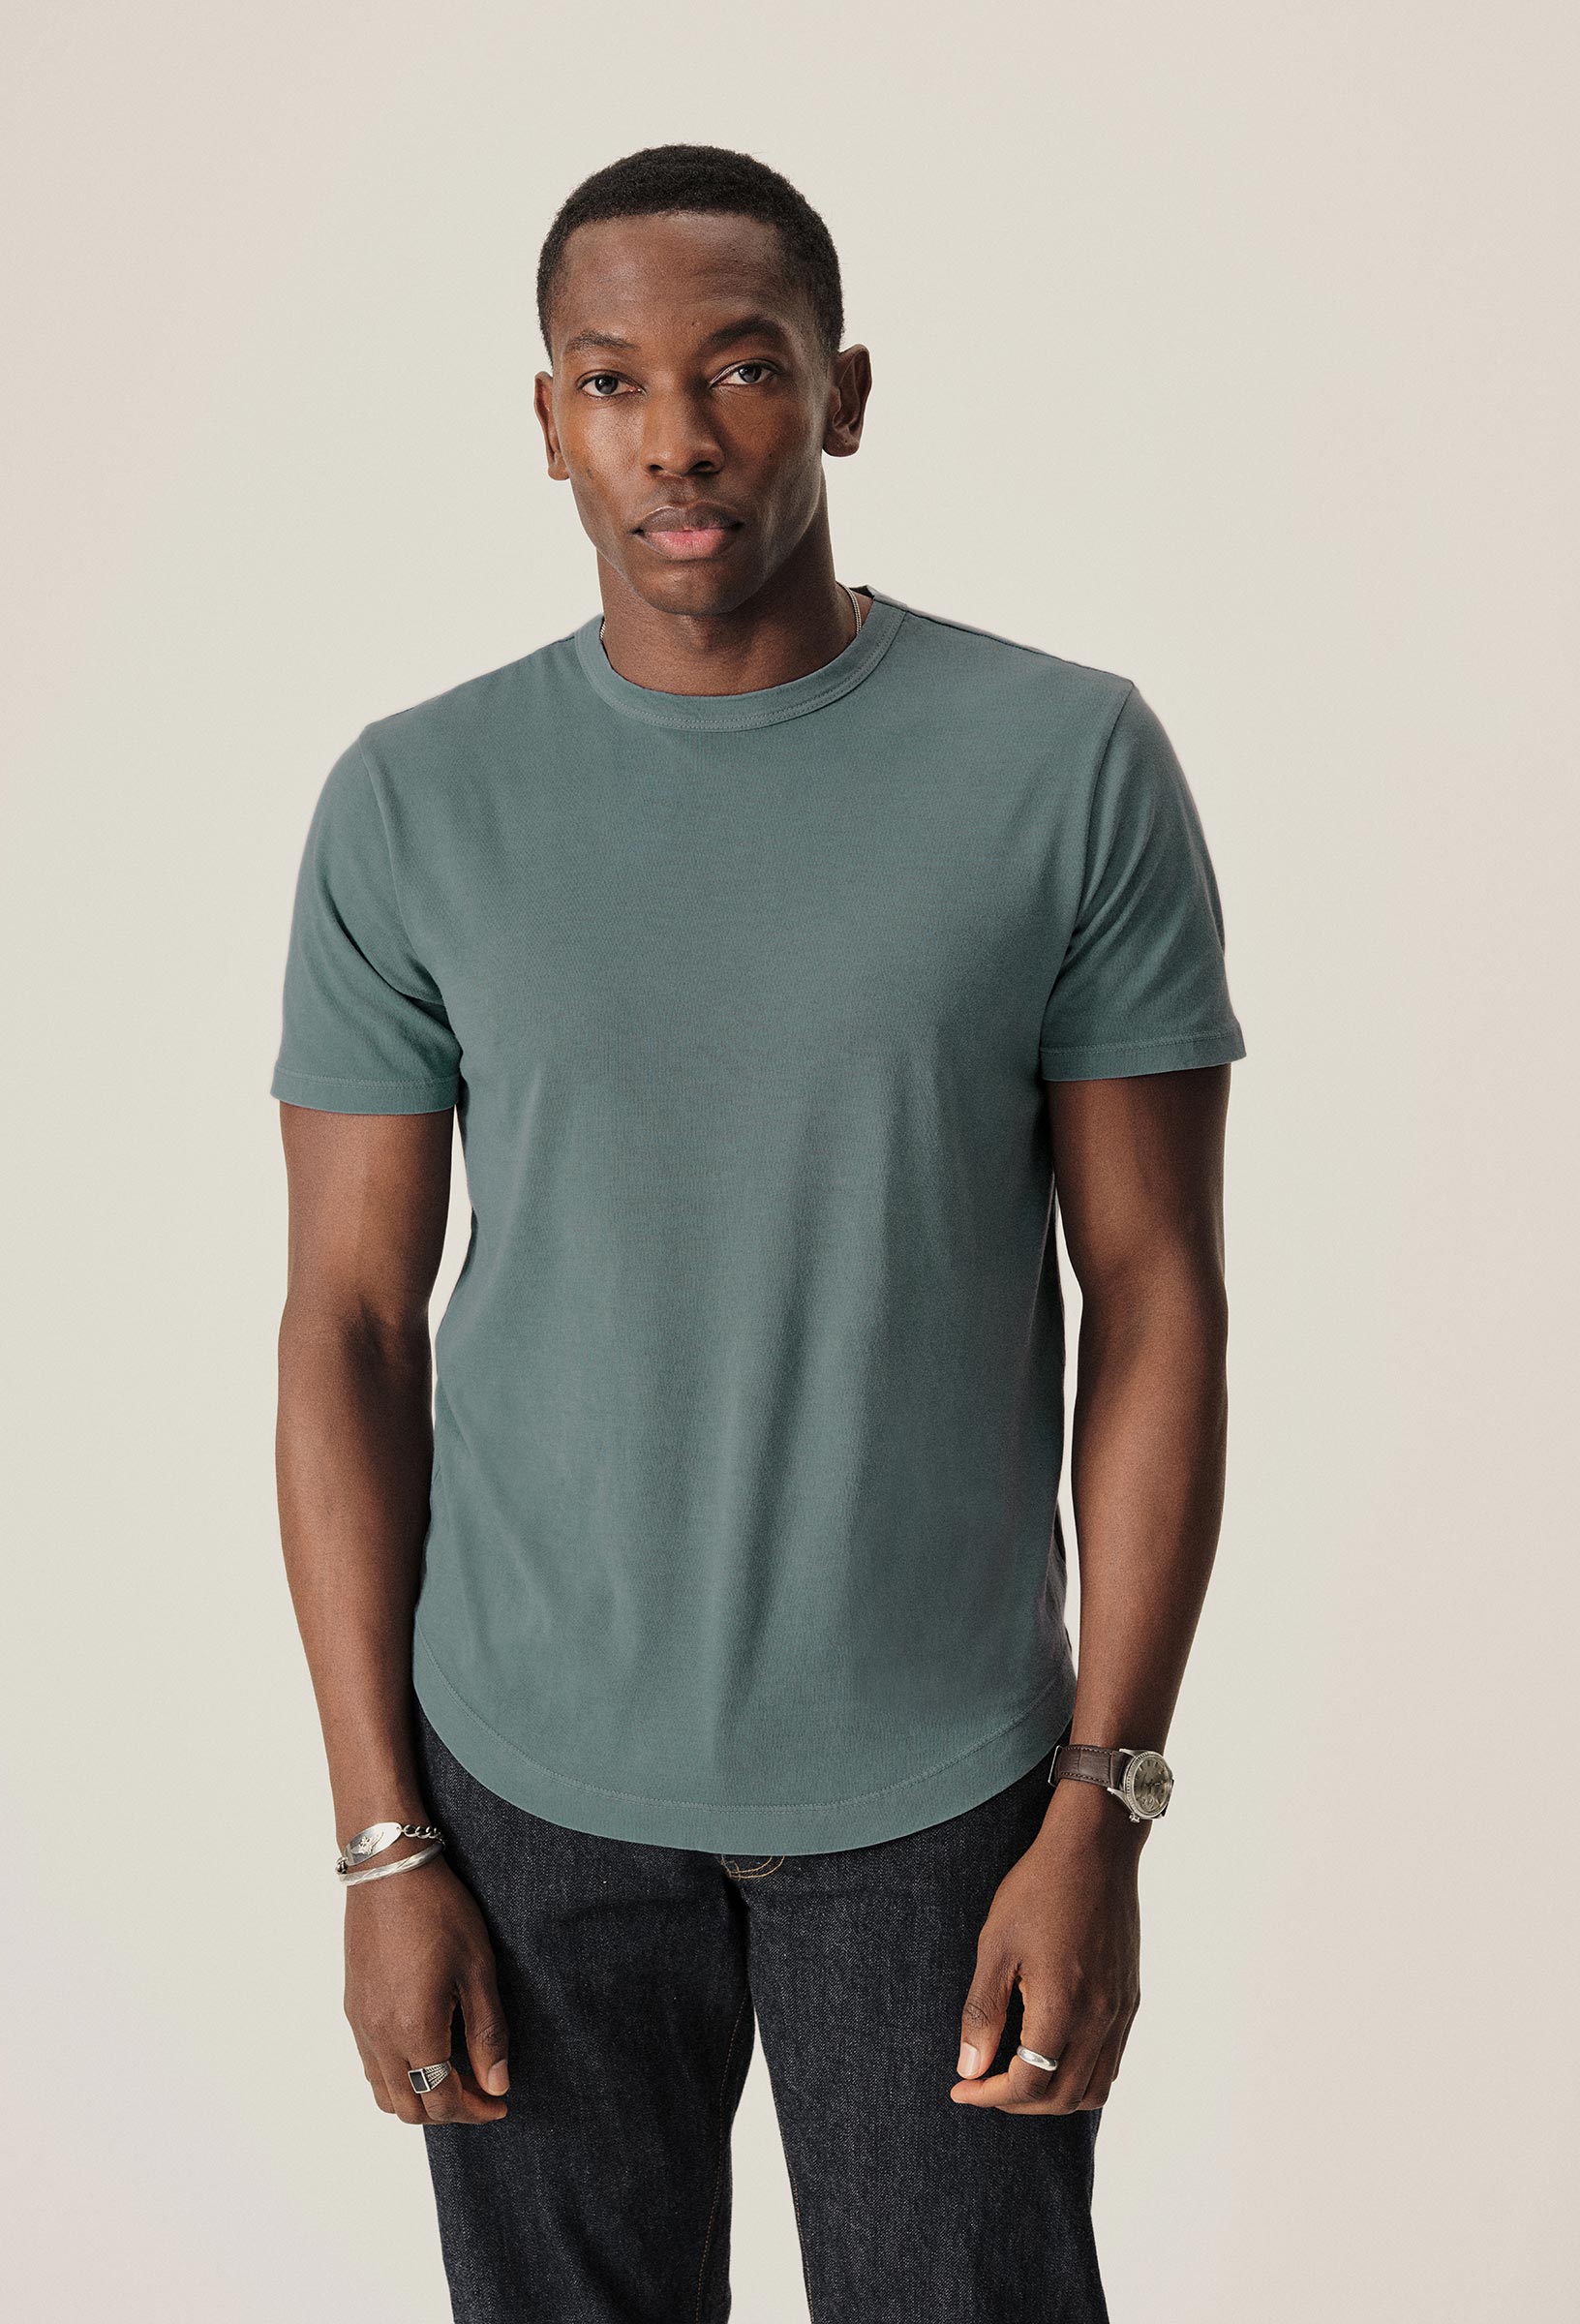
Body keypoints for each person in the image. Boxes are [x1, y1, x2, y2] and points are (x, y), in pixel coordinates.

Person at [270, 141, 1244, 2324]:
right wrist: (381, 1837)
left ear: (844, 394)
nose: (678, 439)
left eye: (742, 369)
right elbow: (347, 1324)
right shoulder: (416, 801)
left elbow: (1156, 1294)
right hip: (522, 1785)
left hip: (949, 1790)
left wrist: (1103, 1801)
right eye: (613, 381)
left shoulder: (1066, 763)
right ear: (548, 422)